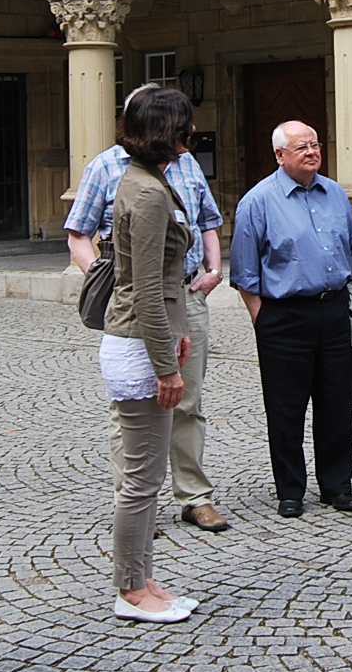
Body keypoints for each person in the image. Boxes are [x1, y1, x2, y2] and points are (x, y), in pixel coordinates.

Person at [66, 96, 230, 534]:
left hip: (187, 294)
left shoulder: (185, 165)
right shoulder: (113, 170)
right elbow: (78, 233)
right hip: (143, 304)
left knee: (187, 402)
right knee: (135, 408)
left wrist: (214, 271)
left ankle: (194, 496)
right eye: (185, 125)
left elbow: (208, 220)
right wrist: (108, 281)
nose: (192, 133)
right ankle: (136, 502)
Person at [229, 120, 352, 517]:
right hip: (284, 316)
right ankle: (290, 489)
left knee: (336, 404)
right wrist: (263, 320)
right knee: (285, 407)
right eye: (301, 147)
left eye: (315, 144)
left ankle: (337, 485)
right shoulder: (258, 201)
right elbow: (244, 273)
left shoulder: (336, 193)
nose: (312, 152)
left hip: (333, 309)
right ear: (279, 155)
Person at [102, 84, 200, 625]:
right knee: (141, 480)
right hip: (139, 346)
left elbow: (162, 282)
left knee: (147, 477)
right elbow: (144, 289)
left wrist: (175, 335)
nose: (193, 133)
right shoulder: (146, 192)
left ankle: (142, 578)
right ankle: (130, 589)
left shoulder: (147, 181)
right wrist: (166, 367)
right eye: (185, 124)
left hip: (146, 341)